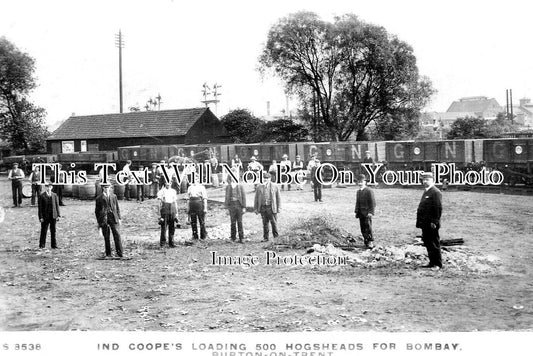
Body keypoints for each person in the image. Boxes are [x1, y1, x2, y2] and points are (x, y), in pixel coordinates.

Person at [416, 172, 443, 269]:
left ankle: (438, 264)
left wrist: (434, 222)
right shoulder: (427, 191)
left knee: (434, 243)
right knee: (428, 242)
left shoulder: (435, 192)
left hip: (431, 224)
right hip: (425, 223)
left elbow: (438, 209)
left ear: (432, 180)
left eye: (427, 179)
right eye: (423, 179)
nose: (424, 181)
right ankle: (432, 262)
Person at [95, 183, 123, 258]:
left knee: (117, 234)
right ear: (103, 188)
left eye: (108, 187)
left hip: (113, 217)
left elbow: (117, 208)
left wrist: (119, 218)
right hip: (104, 218)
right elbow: (97, 211)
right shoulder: (99, 198)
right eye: (105, 188)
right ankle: (108, 253)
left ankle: (120, 252)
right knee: (106, 236)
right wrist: (99, 222)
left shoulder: (114, 196)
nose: (107, 189)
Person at [254, 172, 281, 242]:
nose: (265, 180)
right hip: (263, 208)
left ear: (270, 179)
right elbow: (256, 198)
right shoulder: (259, 187)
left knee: (274, 223)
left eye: (267, 178)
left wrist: (278, 208)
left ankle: (276, 237)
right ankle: (266, 238)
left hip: (271, 208)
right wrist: (256, 208)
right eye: (264, 178)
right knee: (265, 223)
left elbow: (278, 198)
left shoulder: (275, 186)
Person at [225, 169, 246, 243]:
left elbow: (244, 197)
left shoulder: (240, 186)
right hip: (231, 205)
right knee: (232, 222)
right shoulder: (228, 187)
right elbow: (226, 198)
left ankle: (241, 238)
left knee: (240, 222)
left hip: (239, 205)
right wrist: (227, 208)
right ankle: (233, 238)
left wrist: (244, 207)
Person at [354, 174, 376, 249]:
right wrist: (356, 211)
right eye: (359, 182)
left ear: (365, 182)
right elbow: (357, 202)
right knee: (362, 227)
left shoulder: (369, 191)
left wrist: (371, 212)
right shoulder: (358, 191)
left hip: (367, 213)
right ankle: (366, 241)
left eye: (361, 182)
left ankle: (370, 241)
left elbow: (373, 202)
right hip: (360, 213)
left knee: (368, 227)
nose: (360, 183)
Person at [38, 182, 61, 249]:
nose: (49, 188)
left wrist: (58, 215)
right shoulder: (42, 196)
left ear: (52, 187)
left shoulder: (54, 195)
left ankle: (54, 245)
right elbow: (40, 208)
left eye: (50, 186)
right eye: (47, 186)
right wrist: (41, 217)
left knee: (53, 231)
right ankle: (42, 245)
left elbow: (57, 206)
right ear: (45, 187)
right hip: (45, 216)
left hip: (53, 216)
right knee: (44, 231)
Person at [157, 181, 179, 247]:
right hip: (165, 209)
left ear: (171, 183)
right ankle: (162, 243)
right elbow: (159, 204)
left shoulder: (173, 191)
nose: (168, 184)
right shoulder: (161, 191)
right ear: (165, 183)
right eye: (166, 182)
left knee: (172, 227)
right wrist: (159, 214)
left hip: (172, 209)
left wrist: (176, 213)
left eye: (169, 182)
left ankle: (171, 243)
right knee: (164, 227)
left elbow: (175, 202)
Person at [186, 175, 208, 240]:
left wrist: (205, 208)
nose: (194, 180)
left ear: (198, 179)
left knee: (201, 220)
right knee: (193, 221)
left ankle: (203, 236)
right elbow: (188, 198)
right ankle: (195, 236)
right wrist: (188, 208)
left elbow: (205, 198)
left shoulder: (201, 187)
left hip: (199, 203)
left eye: (196, 179)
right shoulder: (190, 187)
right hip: (192, 204)